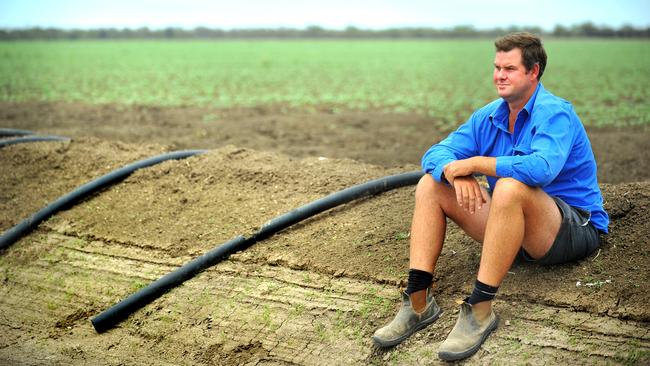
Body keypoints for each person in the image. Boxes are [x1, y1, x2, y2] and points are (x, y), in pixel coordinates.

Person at [371, 32, 609, 362]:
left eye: (509, 68)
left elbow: (542, 169)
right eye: (497, 67)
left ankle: (480, 309)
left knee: (510, 186)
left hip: (570, 228)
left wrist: (477, 164)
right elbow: (436, 152)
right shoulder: (490, 116)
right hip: (514, 229)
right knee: (431, 184)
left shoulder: (555, 113)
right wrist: (456, 171)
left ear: (533, 72)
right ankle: (418, 301)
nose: (499, 75)